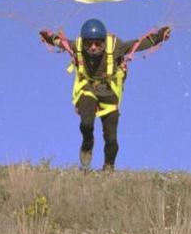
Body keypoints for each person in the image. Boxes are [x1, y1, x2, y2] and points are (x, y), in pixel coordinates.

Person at [40, 19, 171, 172]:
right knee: (86, 124)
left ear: (103, 42)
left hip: (109, 94)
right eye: (89, 44)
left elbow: (138, 45)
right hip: (88, 88)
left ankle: (108, 167)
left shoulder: (116, 46)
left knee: (111, 139)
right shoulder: (78, 46)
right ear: (84, 43)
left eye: (98, 44)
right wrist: (49, 37)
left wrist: (160, 36)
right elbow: (61, 42)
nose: (93, 48)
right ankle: (87, 143)